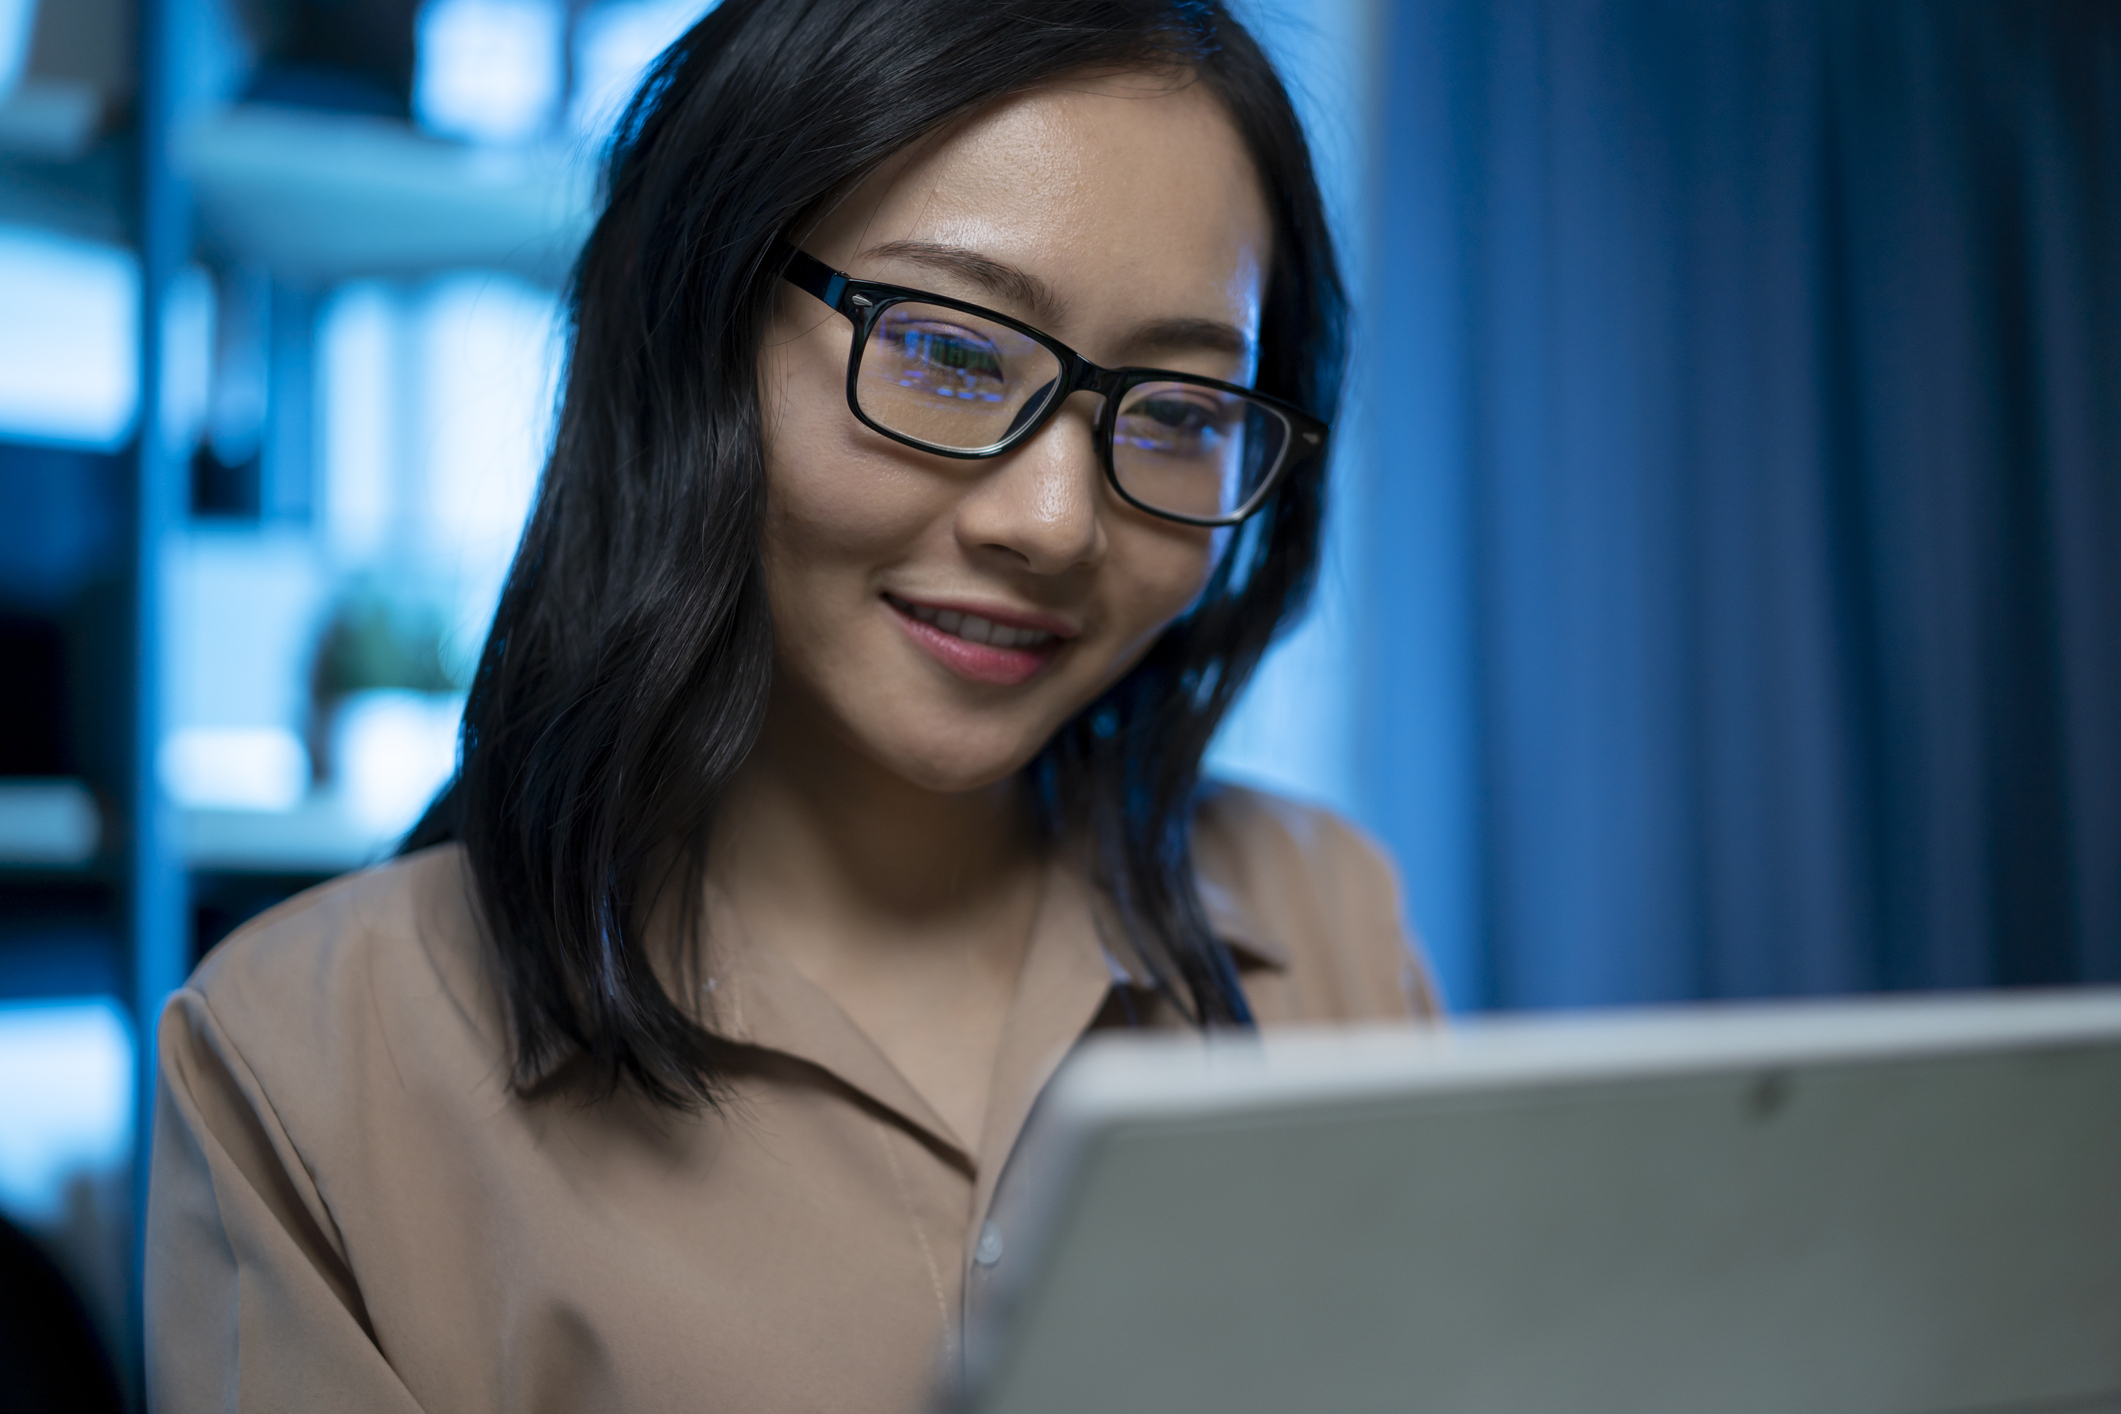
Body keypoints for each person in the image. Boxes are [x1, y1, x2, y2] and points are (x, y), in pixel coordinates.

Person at [146, 1, 1439, 1408]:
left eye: (1181, 414)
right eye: (948, 352)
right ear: (694, 334)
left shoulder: (1326, 924)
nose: (1056, 522)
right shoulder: (308, 1058)